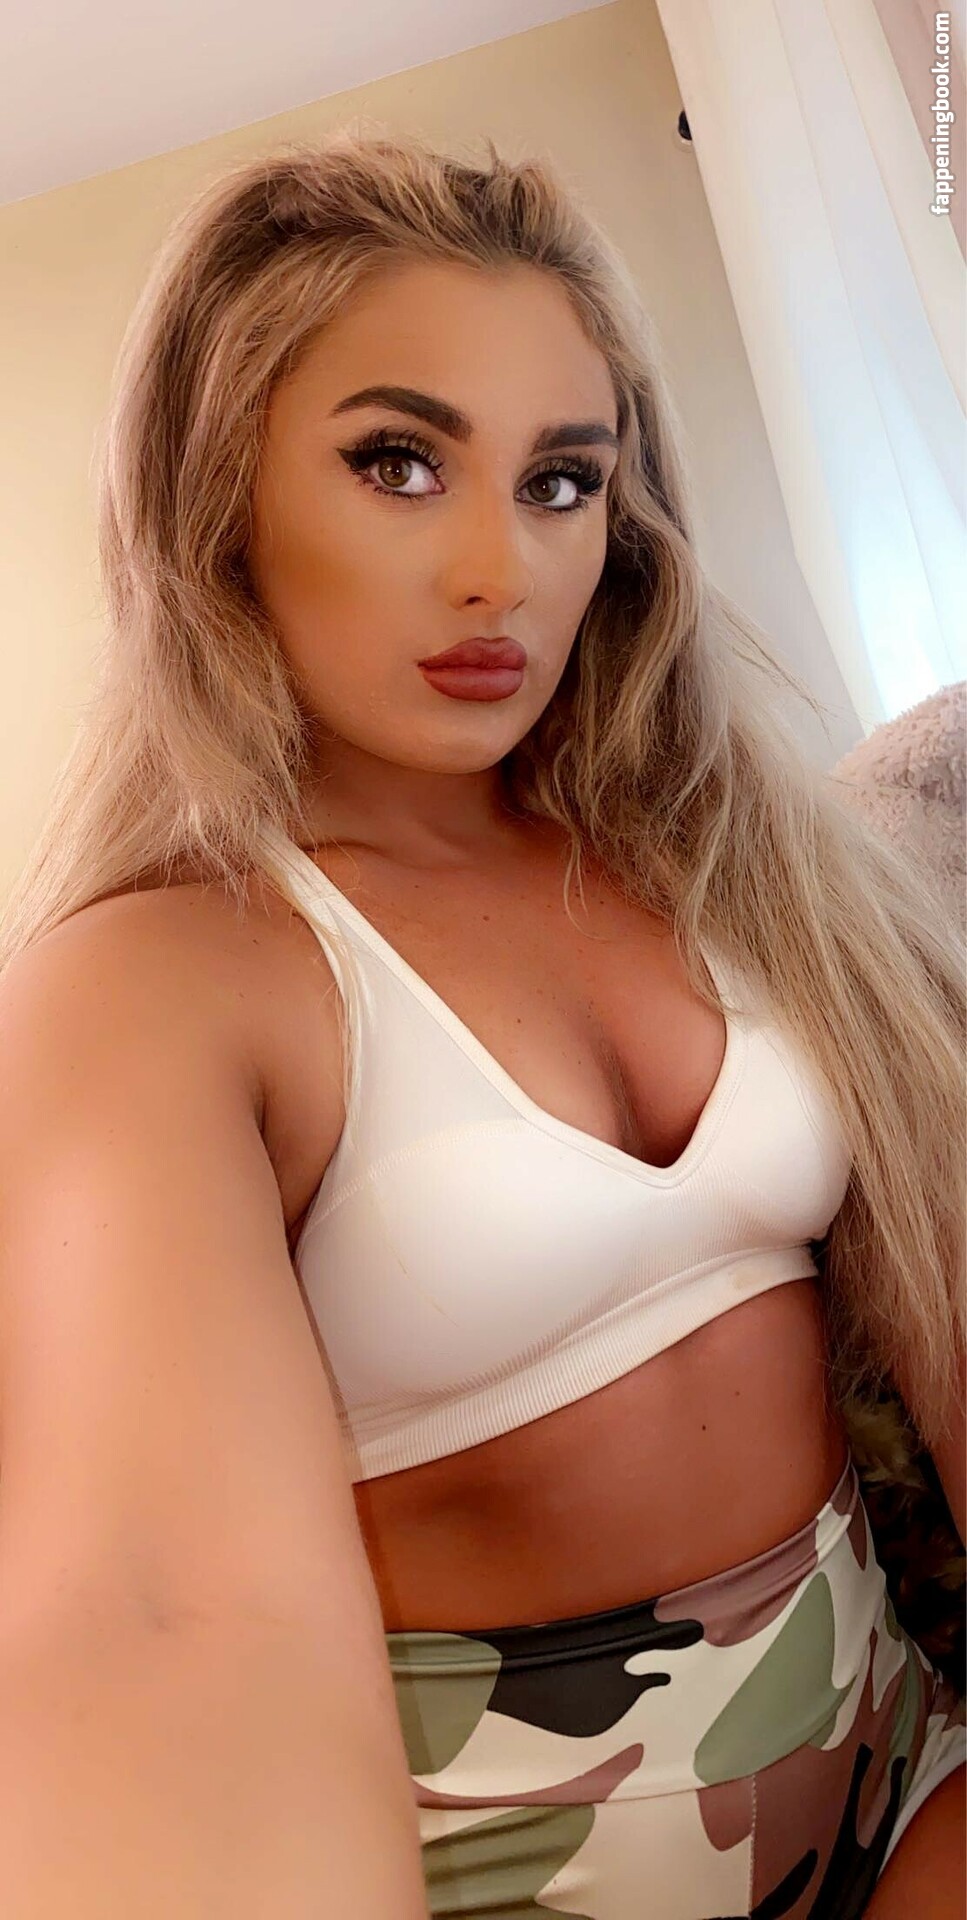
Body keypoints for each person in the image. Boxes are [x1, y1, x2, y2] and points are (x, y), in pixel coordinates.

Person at [0, 127, 963, 1918]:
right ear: (217, 490)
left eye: (560, 481)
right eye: (397, 462)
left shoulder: (726, 854)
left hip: (908, 1767)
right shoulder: (158, 979)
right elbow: (167, 1628)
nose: (497, 570)